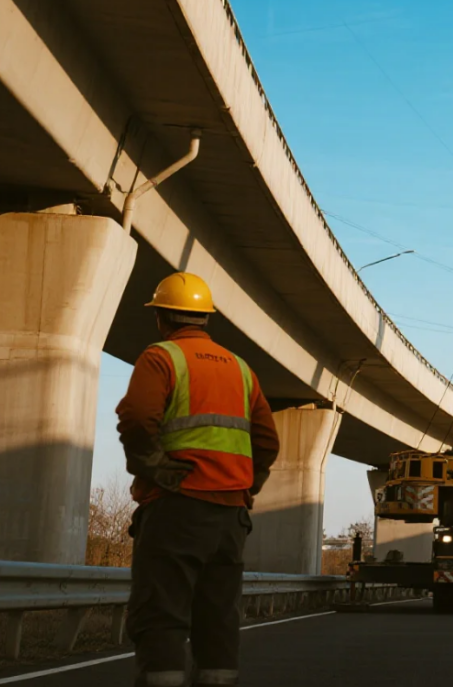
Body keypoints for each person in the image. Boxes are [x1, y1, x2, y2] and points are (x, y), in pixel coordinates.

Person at [117, 272, 281, 687]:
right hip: (230, 519)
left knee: (162, 611)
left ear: (161, 317)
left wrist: (154, 466)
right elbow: (267, 440)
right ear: (205, 317)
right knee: (218, 616)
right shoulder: (241, 369)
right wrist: (249, 483)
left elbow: (137, 418)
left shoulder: (161, 357)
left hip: (176, 508)